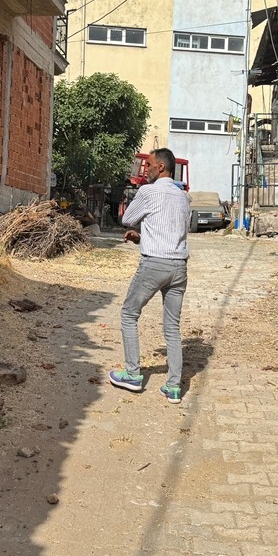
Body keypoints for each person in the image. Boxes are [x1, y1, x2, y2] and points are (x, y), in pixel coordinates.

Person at [109, 148, 191, 404]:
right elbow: (173, 231)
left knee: (129, 314)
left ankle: (133, 374)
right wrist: (143, 237)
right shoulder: (183, 197)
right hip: (179, 267)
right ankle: (173, 387)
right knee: (172, 327)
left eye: (150, 165)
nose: (146, 170)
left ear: (161, 168)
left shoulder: (148, 191)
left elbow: (128, 218)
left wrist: (139, 230)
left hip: (154, 264)